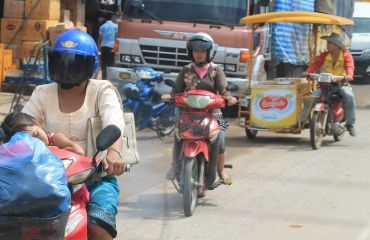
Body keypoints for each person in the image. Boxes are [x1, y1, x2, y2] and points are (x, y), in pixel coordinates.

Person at [22, 29, 125, 240]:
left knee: (99, 228)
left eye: (75, 63)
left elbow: (114, 121)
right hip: (46, 180)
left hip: (96, 178)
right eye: (62, 61)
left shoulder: (102, 90)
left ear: (90, 66)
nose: (67, 69)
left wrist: (114, 153)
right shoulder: (42, 93)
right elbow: (23, 123)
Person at [164, 32, 237, 185]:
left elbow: (224, 89)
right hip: (188, 113)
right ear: (191, 52)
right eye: (195, 51)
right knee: (178, 137)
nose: (199, 54)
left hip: (213, 113)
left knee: (221, 139)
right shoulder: (186, 70)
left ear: (208, 52)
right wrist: (170, 96)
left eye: (202, 51)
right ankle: (174, 167)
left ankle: (221, 171)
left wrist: (229, 97)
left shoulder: (216, 70)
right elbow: (177, 89)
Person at [301, 32, 357, 136]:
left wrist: (349, 75)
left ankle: (350, 123)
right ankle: (302, 121)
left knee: (349, 96)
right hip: (324, 85)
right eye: (327, 42)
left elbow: (350, 67)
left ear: (336, 45)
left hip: (341, 85)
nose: (327, 44)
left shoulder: (346, 56)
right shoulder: (324, 55)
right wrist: (308, 72)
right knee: (310, 98)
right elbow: (315, 65)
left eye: (330, 43)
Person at [1, 111, 84, 155]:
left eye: (36, 135)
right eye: (29, 141)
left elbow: (79, 151)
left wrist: (54, 152)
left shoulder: (55, 138)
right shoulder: (24, 152)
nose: (37, 142)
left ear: (36, 123)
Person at [98, 12, 118, 79]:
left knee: (104, 63)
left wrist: (99, 48)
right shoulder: (116, 26)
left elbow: (100, 38)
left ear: (105, 18)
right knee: (111, 63)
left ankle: (104, 78)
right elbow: (116, 37)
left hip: (103, 46)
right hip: (111, 47)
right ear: (112, 18)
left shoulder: (102, 26)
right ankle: (110, 79)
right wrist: (116, 48)